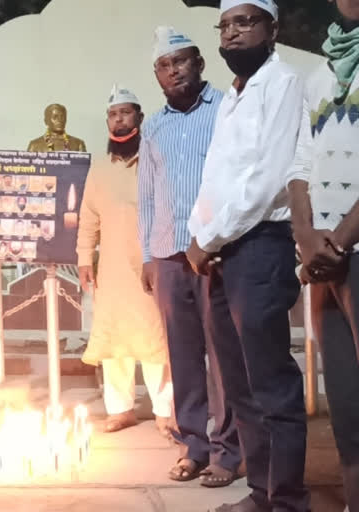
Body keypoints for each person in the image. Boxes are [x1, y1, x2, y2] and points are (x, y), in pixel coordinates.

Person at [185, 1, 310, 510]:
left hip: (259, 246)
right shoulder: (233, 96)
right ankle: (261, 492)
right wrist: (203, 238)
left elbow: (266, 181)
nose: (233, 34)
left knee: (271, 385)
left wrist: (206, 239)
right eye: (226, 25)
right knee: (239, 386)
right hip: (221, 253)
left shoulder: (282, 83)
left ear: (272, 28)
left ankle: (286, 501)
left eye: (246, 21)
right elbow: (215, 180)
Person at [139, 27, 241, 487]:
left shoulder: (225, 109)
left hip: (214, 251)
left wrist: (223, 238)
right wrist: (147, 254)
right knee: (181, 357)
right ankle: (194, 446)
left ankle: (228, 451)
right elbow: (146, 196)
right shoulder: (154, 126)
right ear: (157, 75)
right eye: (165, 64)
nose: (174, 70)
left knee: (223, 355)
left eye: (181, 61)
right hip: (167, 255)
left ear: (200, 63)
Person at [287, 1, 359, 509]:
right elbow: (300, 161)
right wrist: (307, 236)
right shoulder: (320, 75)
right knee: (346, 402)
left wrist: (344, 237)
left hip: (352, 248)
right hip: (325, 258)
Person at [77, 86, 174, 438]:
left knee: (154, 339)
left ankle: (164, 410)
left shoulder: (155, 161)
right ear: (108, 122)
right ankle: (120, 410)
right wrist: (85, 258)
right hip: (113, 270)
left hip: (151, 266)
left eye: (126, 113)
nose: (119, 119)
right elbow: (88, 218)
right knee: (114, 342)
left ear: (139, 118)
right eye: (113, 114)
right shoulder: (100, 170)